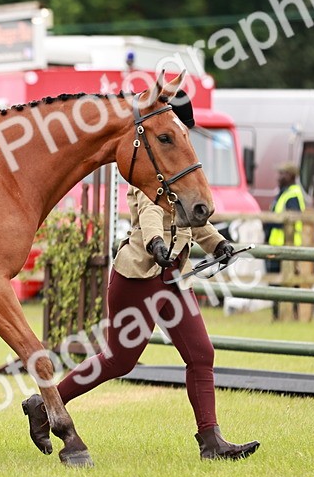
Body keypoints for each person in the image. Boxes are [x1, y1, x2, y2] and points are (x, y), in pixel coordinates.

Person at [21, 185, 260, 461]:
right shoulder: (147, 173)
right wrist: (155, 242)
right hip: (139, 276)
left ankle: (212, 443)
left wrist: (217, 244)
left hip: (175, 278)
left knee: (201, 354)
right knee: (119, 361)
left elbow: (193, 218)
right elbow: (150, 211)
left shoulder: (182, 174)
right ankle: (44, 408)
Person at [266, 162, 305, 321]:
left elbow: (291, 218)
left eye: (283, 174)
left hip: (286, 245)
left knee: (288, 282)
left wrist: (272, 222)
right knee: (275, 281)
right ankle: (277, 315)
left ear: (292, 176)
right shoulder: (283, 193)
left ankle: (290, 315)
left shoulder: (292, 195)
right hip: (277, 244)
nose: (279, 177)